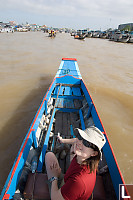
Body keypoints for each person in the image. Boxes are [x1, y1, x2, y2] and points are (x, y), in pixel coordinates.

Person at [45, 126, 106, 200]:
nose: (80, 142)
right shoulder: (84, 158)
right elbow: (76, 140)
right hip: (67, 182)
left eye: (87, 143)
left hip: (66, 191)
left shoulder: (79, 181)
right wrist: (62, 140)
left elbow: (55, 198)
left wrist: (54, 177)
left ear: (94, 153)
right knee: (49, 156)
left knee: (50, 159)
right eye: (80, 137)